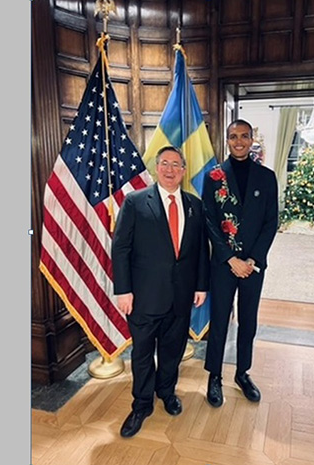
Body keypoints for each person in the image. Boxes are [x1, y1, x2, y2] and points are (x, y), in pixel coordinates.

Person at [111, 146, 209, 438]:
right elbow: (121, 248)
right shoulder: (136, 202)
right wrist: (123, 290)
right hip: (143, 297)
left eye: (176, 165)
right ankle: (141, 404)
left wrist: (201, 284)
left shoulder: (195, 205)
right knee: (142, 354)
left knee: (172, 351)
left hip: (180, 297)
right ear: (156, 167)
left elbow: (201, 249)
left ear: (183, 170)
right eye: (164, 163)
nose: (169, 169)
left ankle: (166, 391)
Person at [202, 119, 278, 407]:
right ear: (227, 139)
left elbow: (271, 222)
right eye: (233, 136)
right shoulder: (214, 176)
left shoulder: (267, 177)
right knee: (220, 319)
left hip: (253, 265)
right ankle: (214, 375)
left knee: (248, 320)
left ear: (251, 139)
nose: (238, 141)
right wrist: (231, 258)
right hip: (224, 264)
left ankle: (242, 373)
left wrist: (252, 259)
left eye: (244, 136)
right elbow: (209, 221)